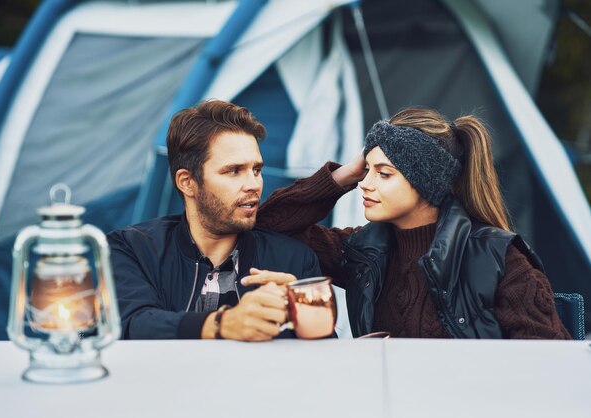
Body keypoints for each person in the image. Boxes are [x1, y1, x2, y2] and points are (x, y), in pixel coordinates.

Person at [246, 107, 571, 339]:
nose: (365, 183)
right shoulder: (362, 252)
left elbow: (550, 364)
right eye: (366, 169)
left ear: (426, 181)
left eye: (383, 174)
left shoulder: (497, 259)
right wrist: (343, 174)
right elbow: (267, 225)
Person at [108, 100, 320, 341]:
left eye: (257, 170)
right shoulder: (133, 249)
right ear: (187, 182)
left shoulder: (293, 260)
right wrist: (223, 324)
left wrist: (305, 310)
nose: (253, 184)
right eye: (234, 171)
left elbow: (326, 361)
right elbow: (131, 325)